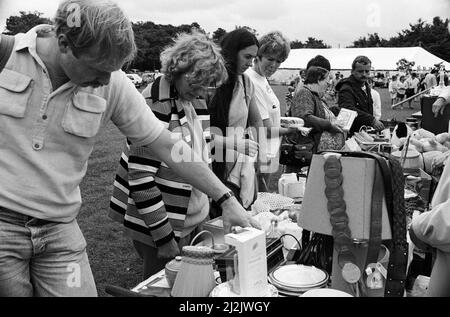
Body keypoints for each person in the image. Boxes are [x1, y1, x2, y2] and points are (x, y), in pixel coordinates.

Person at [0, 0, 254, 297]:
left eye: (115, 70)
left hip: (59, 227)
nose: (107, 80)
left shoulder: (114, 83)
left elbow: (166, 144)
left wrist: (224, 198)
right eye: (99, 68)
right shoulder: (6, 55)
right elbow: (141, 175)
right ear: (64, 43)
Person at [108, 32, 230, 279]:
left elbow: (199, 150)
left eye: (206, 84)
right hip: (162, 223)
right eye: (196, 83)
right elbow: (141, 178)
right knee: (163, 286)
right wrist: (164, 237)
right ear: (178, 68)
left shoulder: (196, 99)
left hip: (193, 215)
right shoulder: (155, 101)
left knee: (192, 283)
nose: (200, 91)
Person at [208, 28, 264, 217]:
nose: (250, 63)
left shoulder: (246, 82)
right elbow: (197, 134)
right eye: (247, 57)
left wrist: (260, 152)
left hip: (234, 165)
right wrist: (235, 144)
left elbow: (256, 119)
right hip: (206, 162)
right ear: (232, 52)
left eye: (253, 58)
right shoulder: (209, 82)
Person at [245, 31, 297, 191]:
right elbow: (265, 130)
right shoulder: (252, 80)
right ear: (258, 56)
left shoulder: (261, 79)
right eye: (270, 59)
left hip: (268, 153)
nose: (274, 65)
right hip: (259, 154)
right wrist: (291, 130)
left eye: (279, 61)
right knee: (258, 201)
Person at [287, 65, 344, 174]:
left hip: (309, 148)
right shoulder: (305, 93)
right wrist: (329, 126)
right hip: (302, 151)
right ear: (318, 80)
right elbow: (304, 117)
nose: (328, 84)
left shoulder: (313, 95)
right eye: (326, 81)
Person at [336, 55, 384, 134]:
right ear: (352, 71)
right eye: (360, 71)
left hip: (364, 133)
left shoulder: (366, 87)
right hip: (351, 134)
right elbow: (347, 109)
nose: (364, 74)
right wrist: (371, 120)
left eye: (367, 71)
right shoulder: (346, 88)